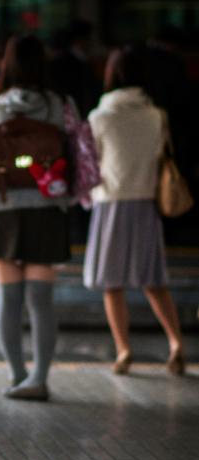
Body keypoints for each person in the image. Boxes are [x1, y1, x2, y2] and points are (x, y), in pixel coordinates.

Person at [0, 34, 73, 401]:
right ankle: (40, 379)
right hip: (46, 207)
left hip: (2, 208)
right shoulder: (59, 105)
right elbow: (75, 148)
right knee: (41, 301)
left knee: (8, 299)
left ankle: (17, 376)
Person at [83, 47, 185, 375]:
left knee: (113, 283)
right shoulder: (156, 115)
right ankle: (175, 343)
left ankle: (124, 349)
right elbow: (160, 154)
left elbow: (91, 162)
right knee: (154, 280)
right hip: (146, 203)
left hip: (111, 203)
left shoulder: (100, 117)